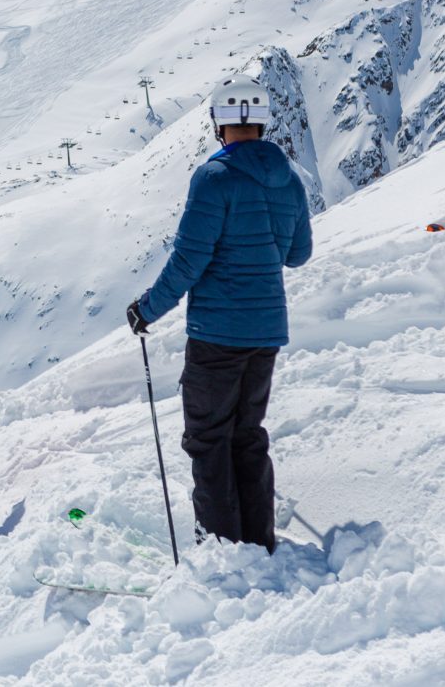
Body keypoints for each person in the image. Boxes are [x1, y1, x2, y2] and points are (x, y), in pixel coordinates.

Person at [126, 81, 312, 552]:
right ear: (262, 121)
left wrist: (147, 310)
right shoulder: (289, 178)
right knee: (247, 436)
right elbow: (298, 254)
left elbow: (190, 260)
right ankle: (258, 541)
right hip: (266, 331)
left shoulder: (214, 178)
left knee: (209, 441)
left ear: (219, 125)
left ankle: (221, 549)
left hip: (216, 334)